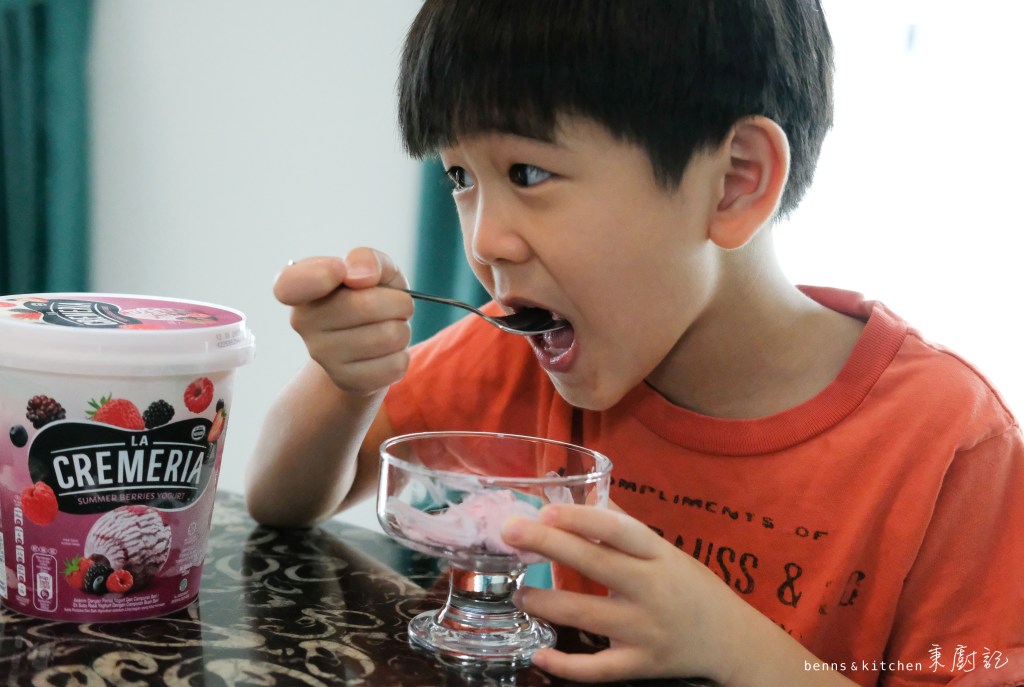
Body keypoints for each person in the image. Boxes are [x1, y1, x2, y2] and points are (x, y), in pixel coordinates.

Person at [246, 2, 1024, 685]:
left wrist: (739, 649)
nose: (485, 242)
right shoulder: (519, 358)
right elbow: (283, 500)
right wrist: (348, 379)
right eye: (459, 177)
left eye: (528, 172)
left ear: (735, 181)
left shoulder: (948, 444)